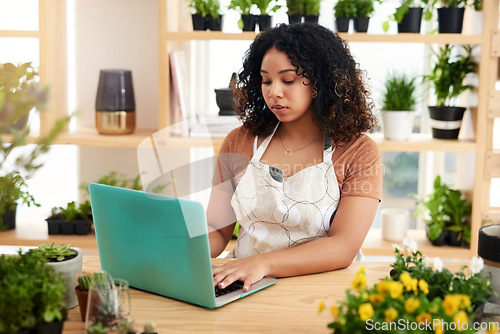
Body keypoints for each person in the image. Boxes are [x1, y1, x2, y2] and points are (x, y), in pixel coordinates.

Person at [206, 22, 382, 293]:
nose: (274, 91)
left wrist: (262, 264)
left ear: (322, 81)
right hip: (242, 288)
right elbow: (217, 231)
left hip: (323, 292)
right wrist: (179, 247)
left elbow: (343, 246)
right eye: (266, 80)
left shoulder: (358, 151)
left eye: (287, 80)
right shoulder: (239, 141)